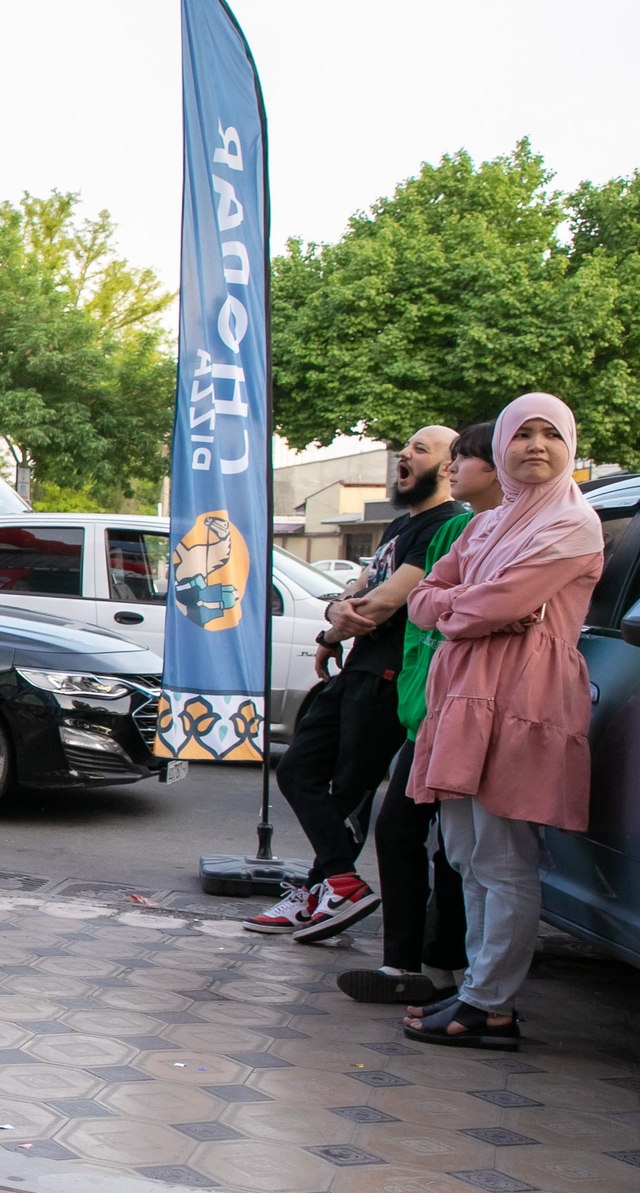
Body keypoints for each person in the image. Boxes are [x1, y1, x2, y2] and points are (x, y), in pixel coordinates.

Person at [400, 395, 605, 1049]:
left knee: (503, 855)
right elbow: (425, 600)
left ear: (570, 445)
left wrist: (458, 606)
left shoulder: (573, 524)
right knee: (464, 852)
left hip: (523, 698)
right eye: (524, 433)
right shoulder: (486, 524)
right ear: (504, 447)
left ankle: (491, 1002)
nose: (536, 445)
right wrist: (464, 606)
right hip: (463, 697)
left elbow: (483, 604)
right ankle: (476, 989)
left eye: (551, 434)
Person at [247, 425, 466, 943]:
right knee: (299, 769)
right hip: (358, 666)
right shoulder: (398, 526)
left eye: (420, 449)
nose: (404, 456)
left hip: (393, 675)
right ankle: (337, 884)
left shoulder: (450, 526)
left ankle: (323, 891)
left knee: (347, 791)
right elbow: (355, 590)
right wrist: (330, 626)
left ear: (450, 467)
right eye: (404, 447)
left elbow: (384, 602)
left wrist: (348, 611)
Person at [341, 423, 496, 1004]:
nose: (454, 466)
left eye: (465, 456)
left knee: (474, 857)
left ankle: (462, 982)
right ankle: (416, 966)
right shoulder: (473, 530)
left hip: (473, 710)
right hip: (427, 709)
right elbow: (422, 602)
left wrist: (433, 601)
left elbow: (434, 604)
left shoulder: (469, 525)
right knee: (421, 837)